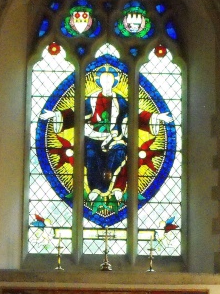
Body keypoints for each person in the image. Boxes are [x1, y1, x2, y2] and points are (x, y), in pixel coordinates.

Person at [42, 66, 170, 206]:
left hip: (115, 139)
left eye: (110, 80)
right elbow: (76, 112)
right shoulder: (92, 99)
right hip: (93, 137)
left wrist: (155, 117)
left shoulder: (119, 100)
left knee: (120, 152)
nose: (107, 83)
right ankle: (96, 188)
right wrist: (56, 115)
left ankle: (116, 186)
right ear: (100, 82)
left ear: (114, 82)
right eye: (105, 80)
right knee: (91, 154)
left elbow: (135, 113)